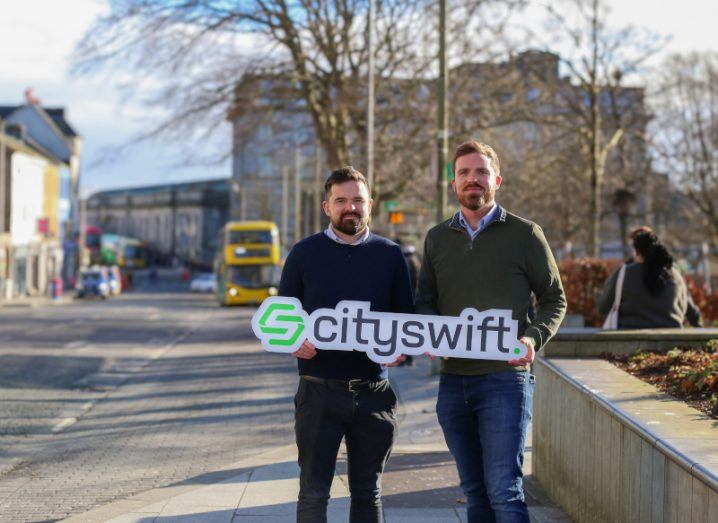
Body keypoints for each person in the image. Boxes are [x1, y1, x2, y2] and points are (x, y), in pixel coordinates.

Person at [415, 140, 567, 523]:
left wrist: (532, 339)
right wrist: (431, 335)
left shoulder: (526, 234)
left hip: (505, 380)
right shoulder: (436, 238)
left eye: (481, 172)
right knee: (474, 493)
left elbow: (554, 298)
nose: (472, 179)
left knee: (504, 490)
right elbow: (424, 301)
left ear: (496, 180)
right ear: (453, 183)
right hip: (454, 383)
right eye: (464, 173)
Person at [279, 166, 414, 523]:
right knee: (313, 492)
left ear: (370, 205)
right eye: (341, 200)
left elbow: (408, 319)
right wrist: (293, 341)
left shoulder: (391, 255)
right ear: (327, 206)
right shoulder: (303, 253)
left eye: (357, 200)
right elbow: (282, 317)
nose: (349, 207)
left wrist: (405, 349)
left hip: (374, 393)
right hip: (318, 392)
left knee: (368, 494)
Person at [598, 228, 703, 328]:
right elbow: (686, 306)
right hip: (671, 339)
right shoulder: (675, 273)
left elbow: (604, 307)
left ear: (636, 251)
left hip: (630, 338)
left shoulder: (624, 273)